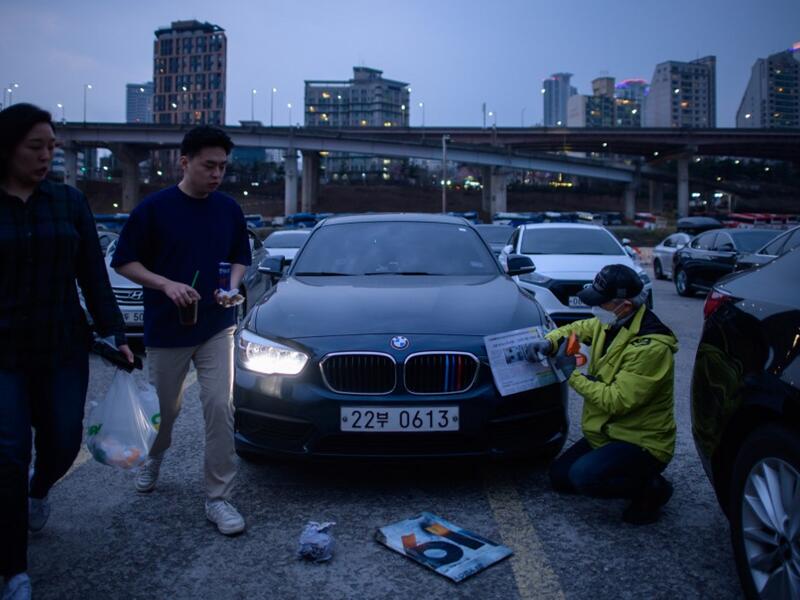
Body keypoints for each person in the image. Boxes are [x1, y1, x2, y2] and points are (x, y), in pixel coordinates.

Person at [0, 104, 132, 600]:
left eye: (52, 146)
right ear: (7, 147)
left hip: (61, 345)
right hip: (4, 352)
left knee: (62, 440)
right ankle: (14, 569)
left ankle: (40, 490)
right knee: (7, 454)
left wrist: (114, 331)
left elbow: (93, 276)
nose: (46, 156)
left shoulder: (68, 202)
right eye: (36, 146)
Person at [111, 126, 251, 535]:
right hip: (166, 329)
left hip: (215, 326)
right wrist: (165, 284)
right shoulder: (153, 209)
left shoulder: (228, 209)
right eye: (209, 165)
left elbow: (239, 257)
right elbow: (124, 262)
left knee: (219, 407)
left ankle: (218, 498)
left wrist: (231, 287)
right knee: (166, 413)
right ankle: (154, 457)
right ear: (184, 161)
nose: (217, 174)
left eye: (223, 167)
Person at [528, 264, 678, 524]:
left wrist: (570, 373)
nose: (595, 309)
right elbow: (577, 329)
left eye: (601, 304)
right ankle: (618, 469)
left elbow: (616, 401)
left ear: (625, 306)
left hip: (640, 442)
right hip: (607, 433)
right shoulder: (611, 322)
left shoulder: (651, 347)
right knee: (560, 477)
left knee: (585, 478)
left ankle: (653, 489)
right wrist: (551, 340)